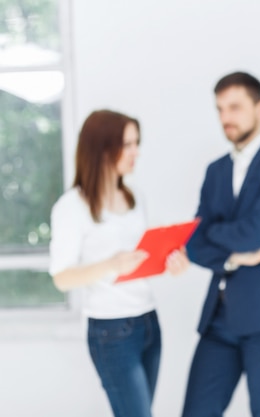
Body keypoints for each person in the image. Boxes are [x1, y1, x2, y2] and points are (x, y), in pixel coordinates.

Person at [182, 71, 260, 417]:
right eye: (220, 109)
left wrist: (213, 232)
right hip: (219, 317)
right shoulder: (216, 170)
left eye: (235, 107)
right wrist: (236, 257)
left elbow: (256, 232)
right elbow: (192, 244)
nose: (226, 118)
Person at [49, 109, 189, 417]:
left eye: (136, 142)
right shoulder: (72, 207)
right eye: (127, 144)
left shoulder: (135, 196)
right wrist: (111, 264)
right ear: (101, 147)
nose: (135, 152)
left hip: (148, 322)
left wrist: (171, 261)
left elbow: (142, 257)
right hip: (111, 331)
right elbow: (62, 277)